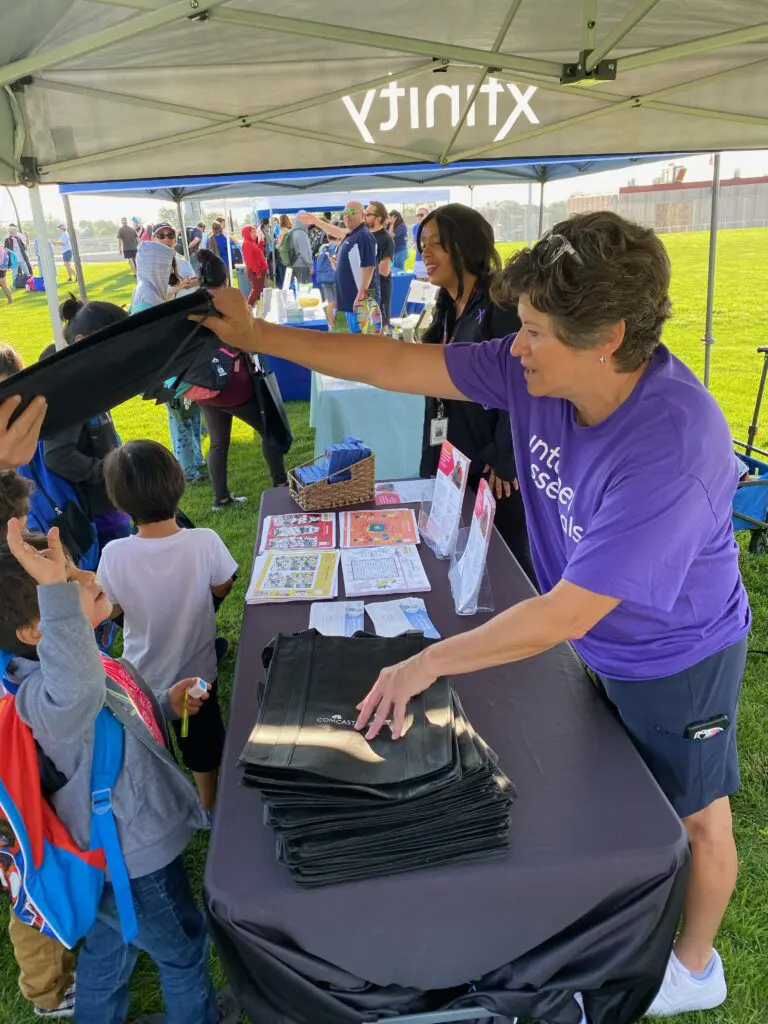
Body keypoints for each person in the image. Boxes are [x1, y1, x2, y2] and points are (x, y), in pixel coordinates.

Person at [199, 211, 751, 1019]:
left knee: (696, 819)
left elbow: (562, 613)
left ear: (607, 338)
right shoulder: (531, 370)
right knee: (621, 800)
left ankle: (695, 969)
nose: (514, 346)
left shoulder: (673, 445)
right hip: (603, 639)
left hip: (676, 654)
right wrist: (259, 333)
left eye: (533, 332)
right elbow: (395, 363)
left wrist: (427, 660)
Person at [1, 520, 220, 1024]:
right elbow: (79, 693)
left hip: (117, 851)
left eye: (73, 569)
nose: (87, 576)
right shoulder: (48, 697)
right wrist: (59, 593)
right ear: (38, 631)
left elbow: (116, 720)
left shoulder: (85, 666)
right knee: (183, 949)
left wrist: (165, 704)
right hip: (133, 858)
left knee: (109, 949)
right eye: (64, 582)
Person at [99, 440, 237, 810]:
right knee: (204, 746)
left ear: (118, 499)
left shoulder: (114, 554)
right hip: (198, 675)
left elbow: (107, 607)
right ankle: (209, 806)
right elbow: (226, 580)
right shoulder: (205, 541)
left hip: (142, 677)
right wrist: (206, 603)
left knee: (155, 745)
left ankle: (169, 808)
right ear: (178, 481)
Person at [416, 204, 532, 578]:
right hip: (452, 453)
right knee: (457, 552)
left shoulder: (501, 303)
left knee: (504, 560)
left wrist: (505, 456)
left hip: (491, 462)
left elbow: (524, 381)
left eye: (437, 243)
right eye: (422, 245)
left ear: (465, 246)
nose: (425, 253)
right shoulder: (448, 305)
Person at [48, 299, 133, 552]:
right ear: (82, 341)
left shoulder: (89, 380)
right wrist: (106, 470)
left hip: (112, 504)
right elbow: (57, 455)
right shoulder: (69, 389)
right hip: (97, 517)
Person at [132, 235, 207, 483]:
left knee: (192, 416)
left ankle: (196, 460)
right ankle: (188, 470)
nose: (170, 272)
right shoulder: (145, 295)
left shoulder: (153, 291)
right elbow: (152, 340)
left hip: (178, 366)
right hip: (167, 372)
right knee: (179, 422)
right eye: (166, 267)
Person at [299, 202, 377, 332]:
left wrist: (361, 295)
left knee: (363, 343)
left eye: (352, 212)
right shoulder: (352, 234)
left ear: (363, 215)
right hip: (349, 299)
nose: (347, 215)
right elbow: (337, 232)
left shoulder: (364, 235)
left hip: (360, 300)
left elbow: (369, 266)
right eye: (345, 212)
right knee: (351, 342)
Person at [365, 200, 394, 324]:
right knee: (366, 328)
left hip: (379, 289)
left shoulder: (385, 239)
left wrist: (364, 267)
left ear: (378, 218)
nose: (364, 216)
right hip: (367, 288)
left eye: (367, 214)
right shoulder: (365, 235)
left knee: (379, 326)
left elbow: (384, 270)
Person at [240, 225, 269, 307]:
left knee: (260, 291)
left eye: (254, 232)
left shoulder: (251, 243)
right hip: (256, 271)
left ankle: (258, 308)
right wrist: (257, 271)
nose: (254, 234)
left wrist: (262, 242)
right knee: (256, 291)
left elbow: (258, 252)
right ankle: (249, 307)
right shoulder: (247, 244)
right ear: (247, 233)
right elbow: (250, 260)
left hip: (260, 270)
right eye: (251, 232)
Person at [412, 205, 430, 280]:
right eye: (418, 215)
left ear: (428, 215)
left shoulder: (432, 226)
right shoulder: (415, 227)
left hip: (429, 259)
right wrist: (415, 245)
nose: (419, 217)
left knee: (430, 285)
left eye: (422, 215)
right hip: (419, 258)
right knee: (419, 284)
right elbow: (414, 241)